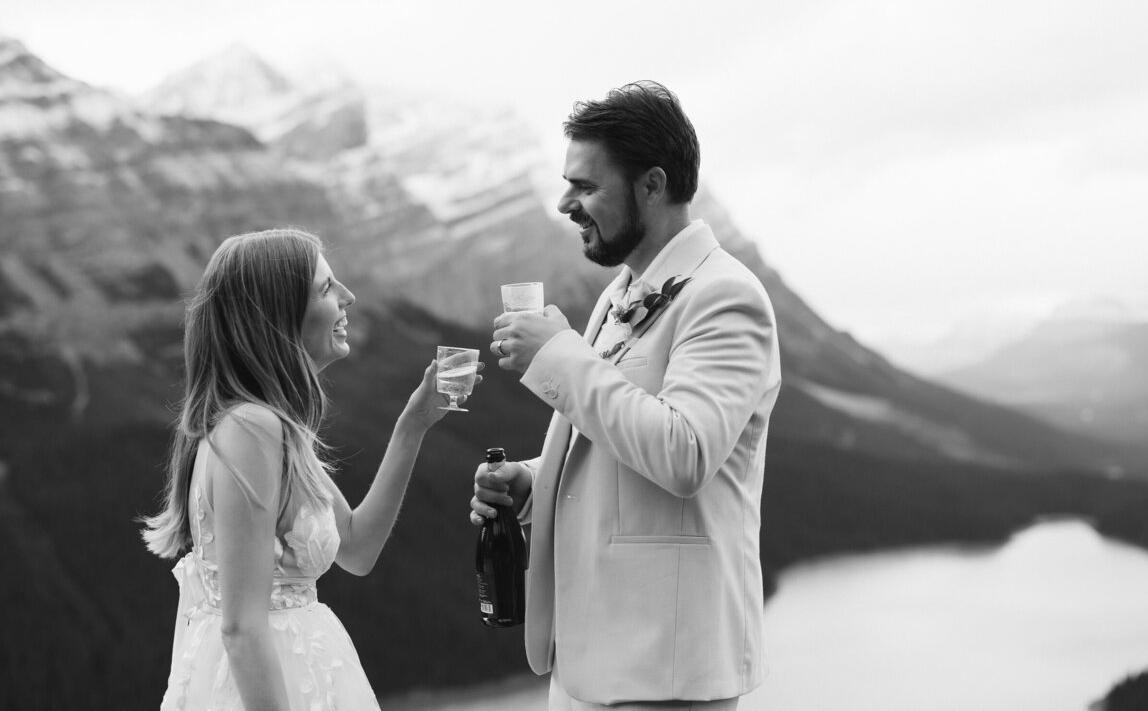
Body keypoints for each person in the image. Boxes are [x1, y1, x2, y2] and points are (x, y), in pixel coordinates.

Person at [471, 81, 781, 709]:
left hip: (664, 666)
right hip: (587, 660)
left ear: (653, 185)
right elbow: (614, 437)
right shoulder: (620, 293)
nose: (564, 203)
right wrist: (533, 482)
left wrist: (558, 357)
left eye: (586, 186)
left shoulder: (725, 296)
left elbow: (685, 452)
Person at [141, 228, 479, 710]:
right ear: (277, 315)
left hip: (305, 674)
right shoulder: (253, 427)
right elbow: (241, 627)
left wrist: (413, 425)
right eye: (326, 288)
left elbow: (357, 549)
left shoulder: (271, 425)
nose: (348, 297)